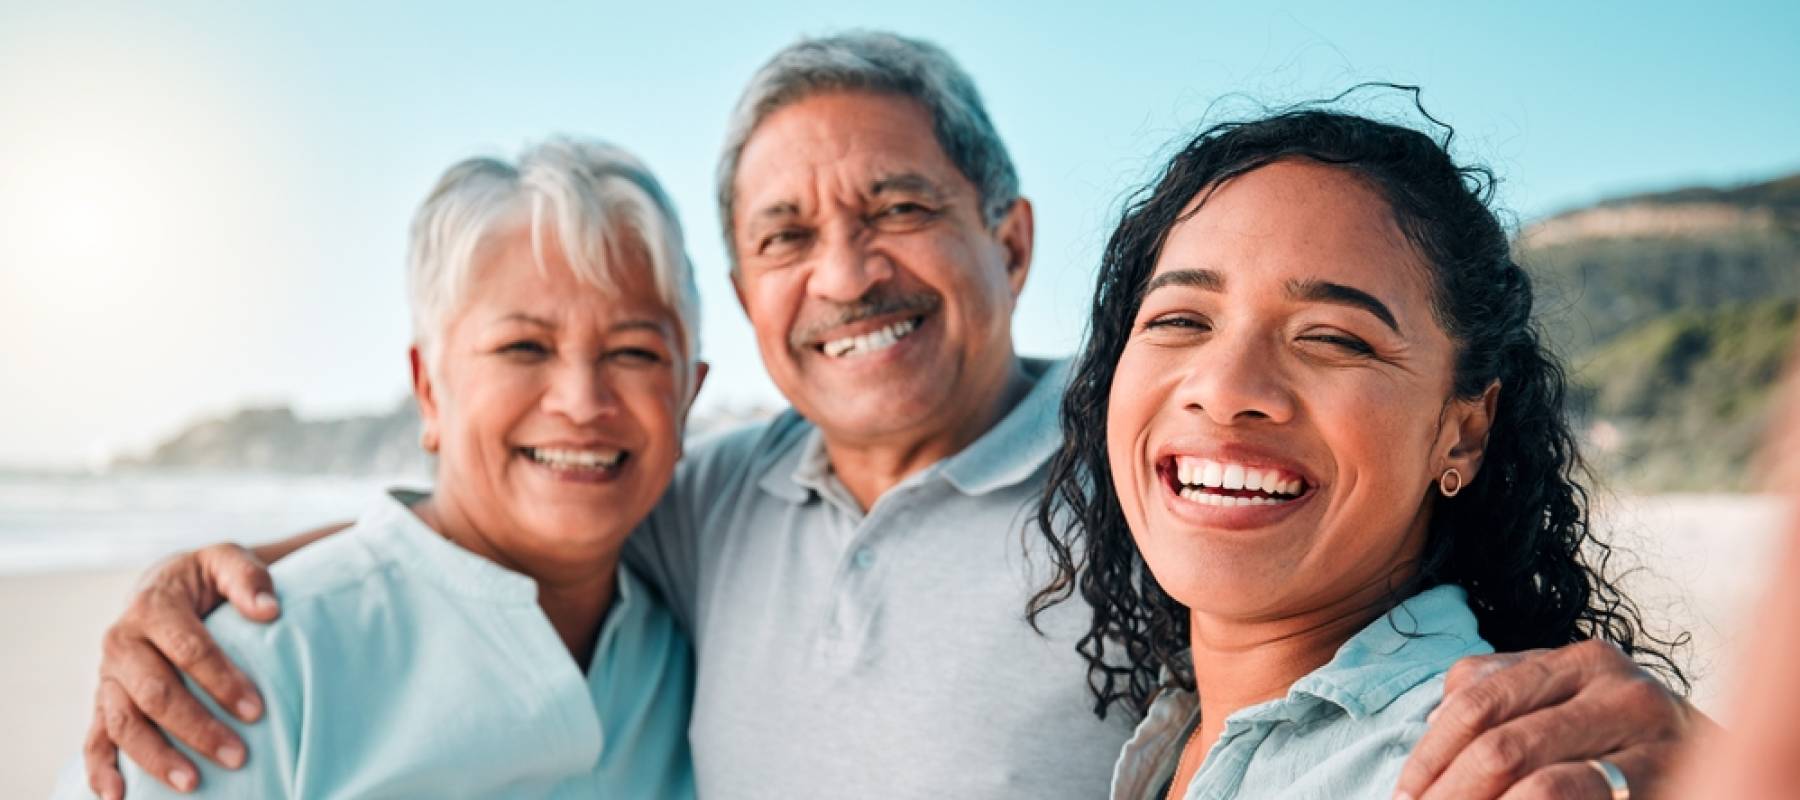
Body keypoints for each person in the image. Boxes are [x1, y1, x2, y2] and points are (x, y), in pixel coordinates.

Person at [80, 33, 1701, 800]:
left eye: (897, 209)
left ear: (1011, 240)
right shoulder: (712, 503)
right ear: (747, 304)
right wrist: (229, 583)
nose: (843, 273)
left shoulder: (1161, 468)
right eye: (785, 239)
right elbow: (532, 490)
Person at [1030, 101, 1690, 800]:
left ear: (1462, 432)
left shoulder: (1471, 771)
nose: (1225, 390)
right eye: (1181, 319)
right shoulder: (1176, 731)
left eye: (1334, 338)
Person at [59, 137, 705, 797]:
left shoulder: (705, 639)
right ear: (429, 388)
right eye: (524, 346)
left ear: (689, 395)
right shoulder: (244, 672)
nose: (580, 402)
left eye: (634, 353)